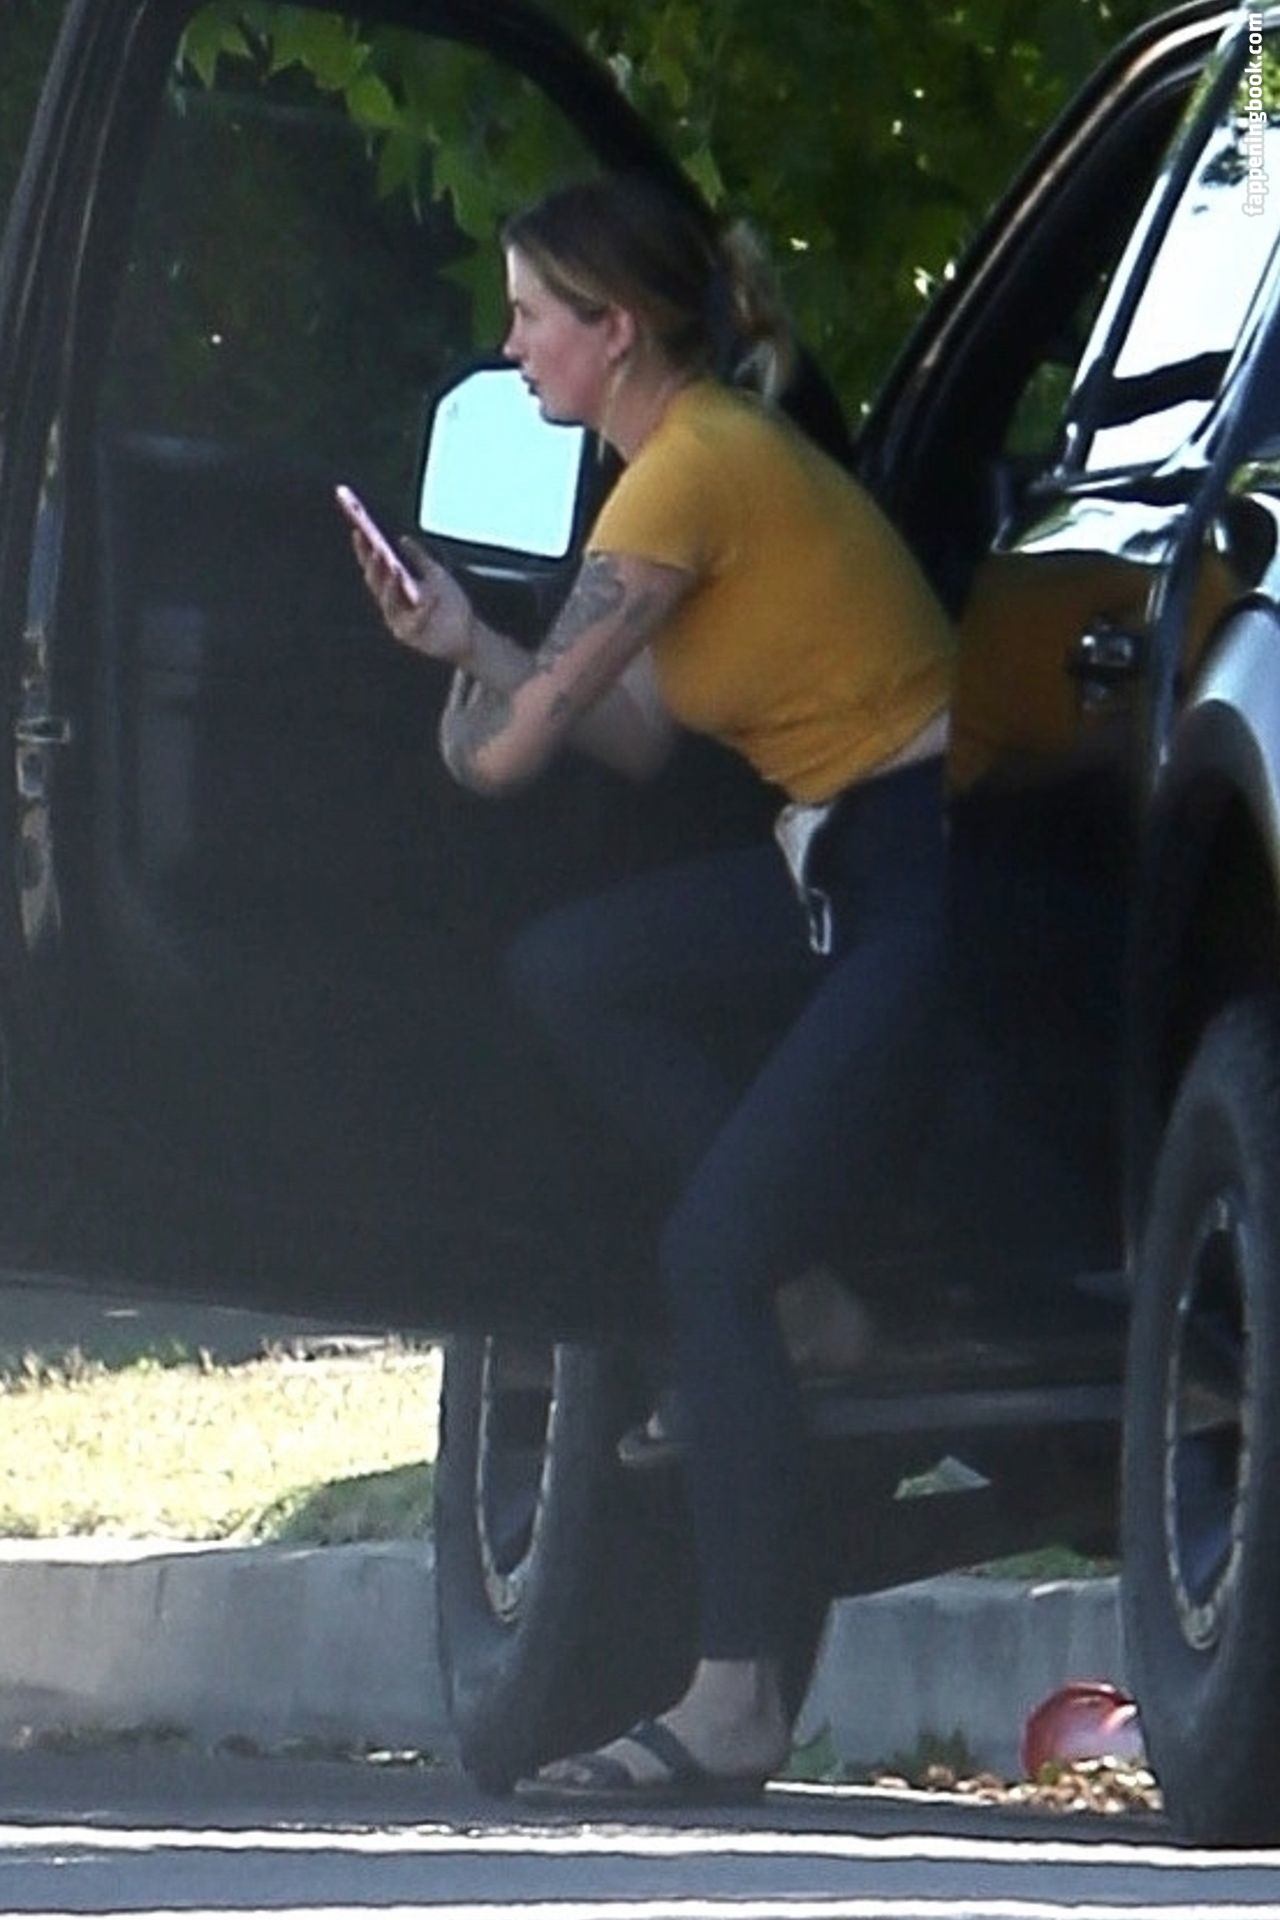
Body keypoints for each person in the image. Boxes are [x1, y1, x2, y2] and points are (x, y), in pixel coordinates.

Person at [349, 173, 954, 1807]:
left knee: (709, 1255)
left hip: (929, 868)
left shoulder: (684, 475)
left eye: (532, 314)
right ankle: (805, 1286)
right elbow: (619, 734)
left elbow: (512, 760)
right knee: (577, 969)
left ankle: (739, 1696)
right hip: (844, 861)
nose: (512, 345)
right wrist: (470, 642)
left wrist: (470, 702)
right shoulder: (675, 470)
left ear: (615, 331)